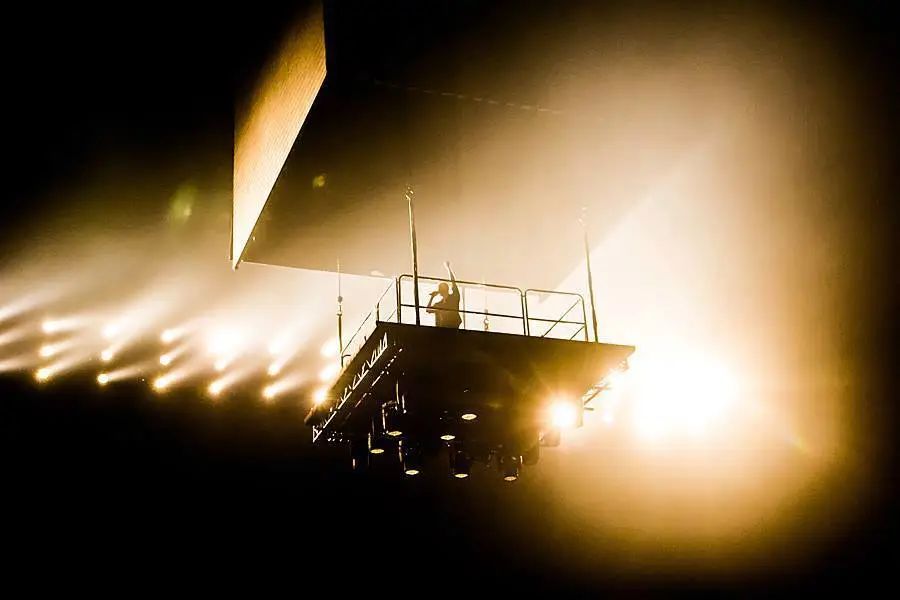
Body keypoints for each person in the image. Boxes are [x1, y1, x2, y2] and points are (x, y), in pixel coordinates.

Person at [426, 261, 462, 329]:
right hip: (442, 329)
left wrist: (448, 269)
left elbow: (453, 282)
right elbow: (428, 310)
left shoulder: (454, 297)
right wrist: (432, 297)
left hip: (453, 327)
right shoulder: (439, 304)